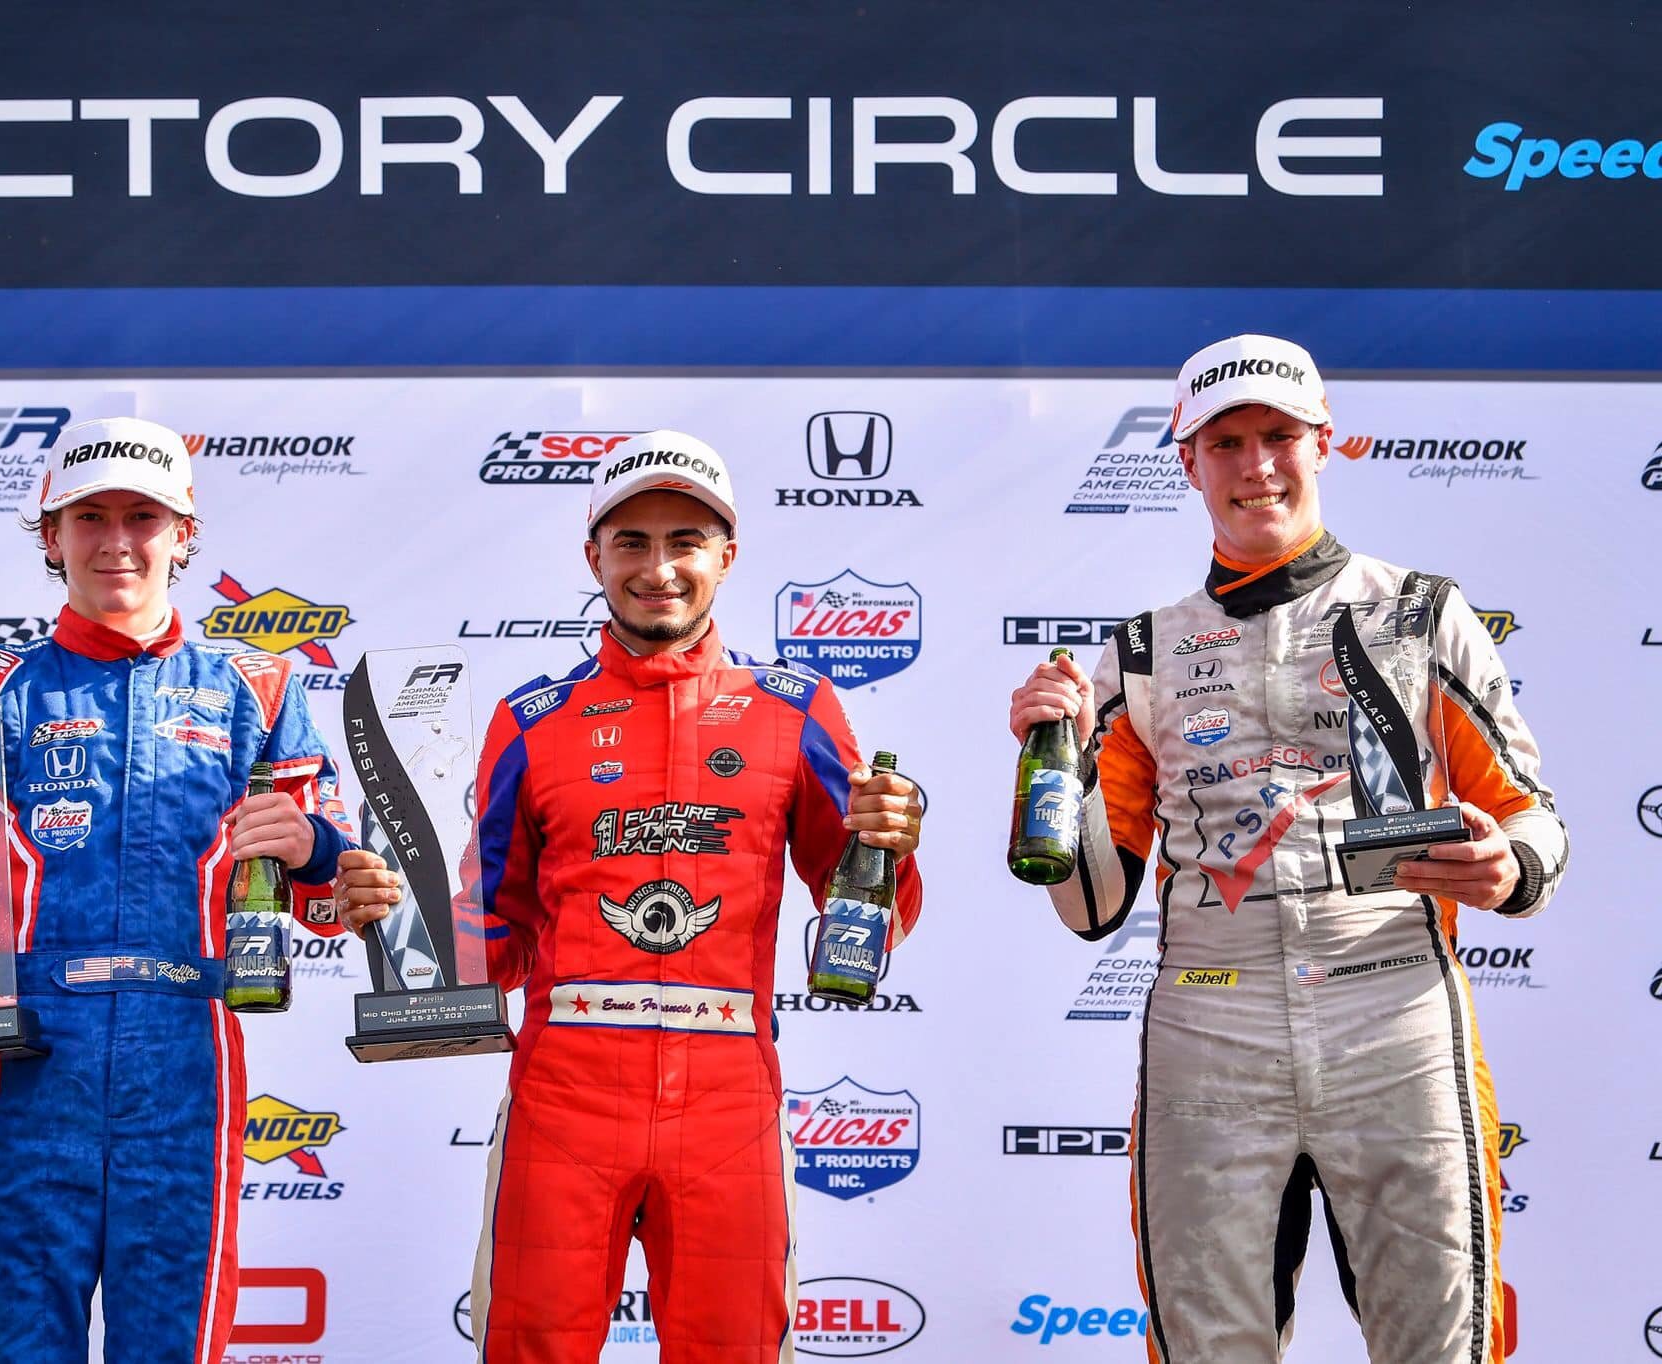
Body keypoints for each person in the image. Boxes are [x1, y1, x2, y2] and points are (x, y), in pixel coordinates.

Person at [1007, 336, 1568, 1364]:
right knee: (1206, 1345)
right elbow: (1089, 904)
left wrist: (1508, 866)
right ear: (1186, 462)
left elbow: (1531, 814)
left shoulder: (1418, 612)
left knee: (1442, 1342)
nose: (1254, 463)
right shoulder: (1138, 651)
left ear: (1324, 445)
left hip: (1390, 1010)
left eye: (1276, 436)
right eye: (1225, 442)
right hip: (1207, 1023)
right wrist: (1056, 771)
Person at [335, 430, 924, 1363]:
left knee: (732, 1347)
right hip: (566, 1086)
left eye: (685, 540)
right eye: (633, 542)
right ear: (594, 556)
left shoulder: (797, 707)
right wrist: (393, 917)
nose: (660, 569)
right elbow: (496, 929)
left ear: (727, 556)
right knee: (530, 1345)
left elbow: (859, 913)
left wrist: (893, 844)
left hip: (729, 1090)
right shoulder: (531, 721)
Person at [0, 416, 353, 1364]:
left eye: (143, 516)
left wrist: (322, 848)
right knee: (19, 1345)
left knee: (176, 1347)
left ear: (183, 532)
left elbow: (331, 898)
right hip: (31, 1058)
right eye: (91, 516)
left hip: (187, 1054)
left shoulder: (259, 689)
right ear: (50, 535)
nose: (118, 540)